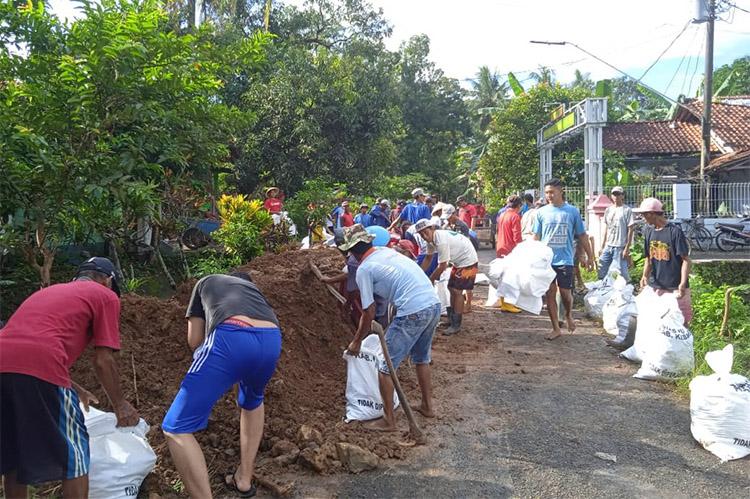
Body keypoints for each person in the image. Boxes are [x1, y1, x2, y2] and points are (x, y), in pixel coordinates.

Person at [0, 257, 139, 499]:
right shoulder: (105, 295)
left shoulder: (49, 292)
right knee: (74, 452)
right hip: (40, 365)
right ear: (107, 280)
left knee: (13, 452)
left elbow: (24, 346)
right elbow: (103, 360)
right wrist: (120, 405)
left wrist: (76, 388)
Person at [162, 272, 282, 498]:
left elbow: (194, 341)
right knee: (252, 401)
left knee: (175, 427)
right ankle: (244, 480)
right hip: (272, 339)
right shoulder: (253, 293)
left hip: (231, 337)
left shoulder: (205, 282)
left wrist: (220, 369)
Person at [340, 225, 441, 432]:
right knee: (422, 358)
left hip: (413, 310)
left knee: (384, 367)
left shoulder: (364, 269)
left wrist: (356, 341)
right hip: (433, 303)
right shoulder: (386, 252)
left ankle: (389, 420)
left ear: (352, 251)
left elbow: (368, 311)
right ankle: (427, 406)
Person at [533, 178, 594, 340]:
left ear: (561, 191)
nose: (549, 196)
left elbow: (582, 235)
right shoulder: (541, 212)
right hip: (546, 261)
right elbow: (536, 237)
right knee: (550, 294)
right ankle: (555, 328)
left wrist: (590, 256)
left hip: (565, 260)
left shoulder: (572, 212)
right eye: (547, 193)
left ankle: (568, 315)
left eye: (552, 192)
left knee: (566, 294)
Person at [634, 198, 693, 325]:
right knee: (659, 321)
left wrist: (682, 284)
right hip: (658, 286)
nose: (643, 218)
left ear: (652, 214)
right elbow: (648, 258)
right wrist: (644, 276)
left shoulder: (674, 232)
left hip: (675, 288)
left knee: (681, 321)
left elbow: (686, 260)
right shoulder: (649, 232)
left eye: (644, 215)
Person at [416, 219, 479, 335]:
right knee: (451, 288)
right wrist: (418, 273)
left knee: (457, 291)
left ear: (432, 229)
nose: (424, 236)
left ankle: (456, 324)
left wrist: (430, 280)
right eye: (421, 234)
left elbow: (442, 266)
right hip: (459, 262)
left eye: (426, 232)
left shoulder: (441, 241)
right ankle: (451, 319)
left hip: (469, 262)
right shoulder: (430, 241)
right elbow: (428, 258)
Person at [598, 186, 636, 281]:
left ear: (622, 196)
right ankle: (603, 286)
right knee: (602, 267)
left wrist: (627, 248)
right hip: (609, 245)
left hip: (620, 245)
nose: (616, 196)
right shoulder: (608, 210)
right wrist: (602, 246)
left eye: (618, 194)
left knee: (622, 271)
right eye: (614, 194)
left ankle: (627, 287)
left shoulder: (627, 210)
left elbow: (630, 229)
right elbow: (606, 228)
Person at [495, 195, 524, 313]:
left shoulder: (503, 215)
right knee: (511, 277)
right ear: (519, 205)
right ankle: (508, 304)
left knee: (503, 277)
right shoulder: (515, 216)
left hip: (501, 247)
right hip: (510, 249)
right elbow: (517, 236)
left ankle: (504, 303)